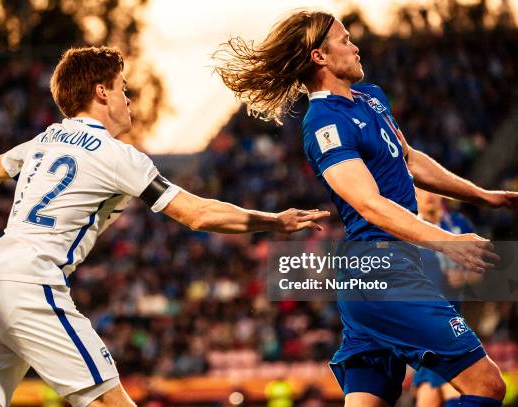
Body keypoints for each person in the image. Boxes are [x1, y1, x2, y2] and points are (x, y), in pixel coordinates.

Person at [0, 46, 330, 407]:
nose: (128, 99)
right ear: (102, 92)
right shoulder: (117, 155)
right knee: (111, 401)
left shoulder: (44, 140)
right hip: (30, 286)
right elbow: (198, 214)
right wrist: (273, 221)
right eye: (123, 88)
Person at [214, 10, 518, 407]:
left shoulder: (372, 98)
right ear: (320, 57)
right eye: (344, 40)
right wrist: (448, 242)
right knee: (488, 387)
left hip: (379, 276)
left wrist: (483, 195)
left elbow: (410, 160)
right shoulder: (324, 122)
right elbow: (369, 204)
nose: (355, 46)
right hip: (383, 271)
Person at [413, 188, 477, 407]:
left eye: (431, 189)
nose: (428, 195)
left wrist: (465, 277)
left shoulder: (459, 225)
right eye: (420, 190)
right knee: (453, 386)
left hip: (451, 319)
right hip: (424, 322)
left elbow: (482, 271)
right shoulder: (406, 229)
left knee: (429, 393)